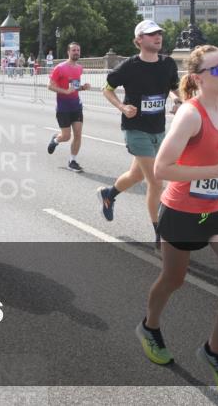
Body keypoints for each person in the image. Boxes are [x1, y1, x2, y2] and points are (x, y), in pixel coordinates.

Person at [136, 45, 218, 396]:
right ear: (197, 78)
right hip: (181, 212)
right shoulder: (190, 115)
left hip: (217, 210)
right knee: (174, 279)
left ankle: (214, 351)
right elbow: (161, 169)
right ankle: (150, 327)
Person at [98, 20, 181, 249]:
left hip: (158, 128)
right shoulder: (129, 67)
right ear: (139, 41)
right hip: (135, 129)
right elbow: (107, 89)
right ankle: (160, 233)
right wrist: (122, 107)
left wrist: (176, 99)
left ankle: (108, 194)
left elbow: (174, 87)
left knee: (135, 175)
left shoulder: (168, 64)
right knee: (156, 181)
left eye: (159, 33)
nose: (158, 37)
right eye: (151, 34)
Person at [47, 42, 92, 172]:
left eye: (78, 50)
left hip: (76, 106)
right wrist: (65, 91)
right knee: (66, 136)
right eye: (74, 50)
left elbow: (75, 87)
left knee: (78, 134)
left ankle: (72, 161)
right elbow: (49, 86)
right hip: (63, 107)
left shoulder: (79, 68)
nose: (76, 52)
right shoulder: (60, 68)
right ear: (68, 52)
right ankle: (56, 139)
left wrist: (83, 87)